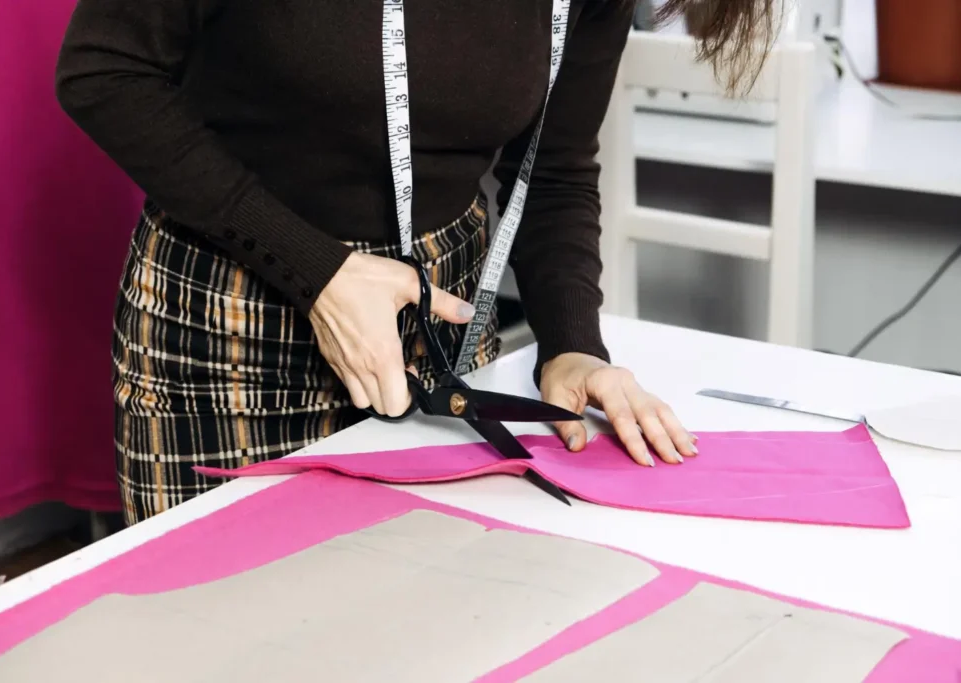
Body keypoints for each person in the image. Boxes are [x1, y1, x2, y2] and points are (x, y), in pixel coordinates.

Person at [55, 0, 774, 525]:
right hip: (233, 322)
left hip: (443, 328)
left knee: (436, 632)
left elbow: (551, 170)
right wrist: (318, 270)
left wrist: (573, 345)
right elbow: (103, 70)